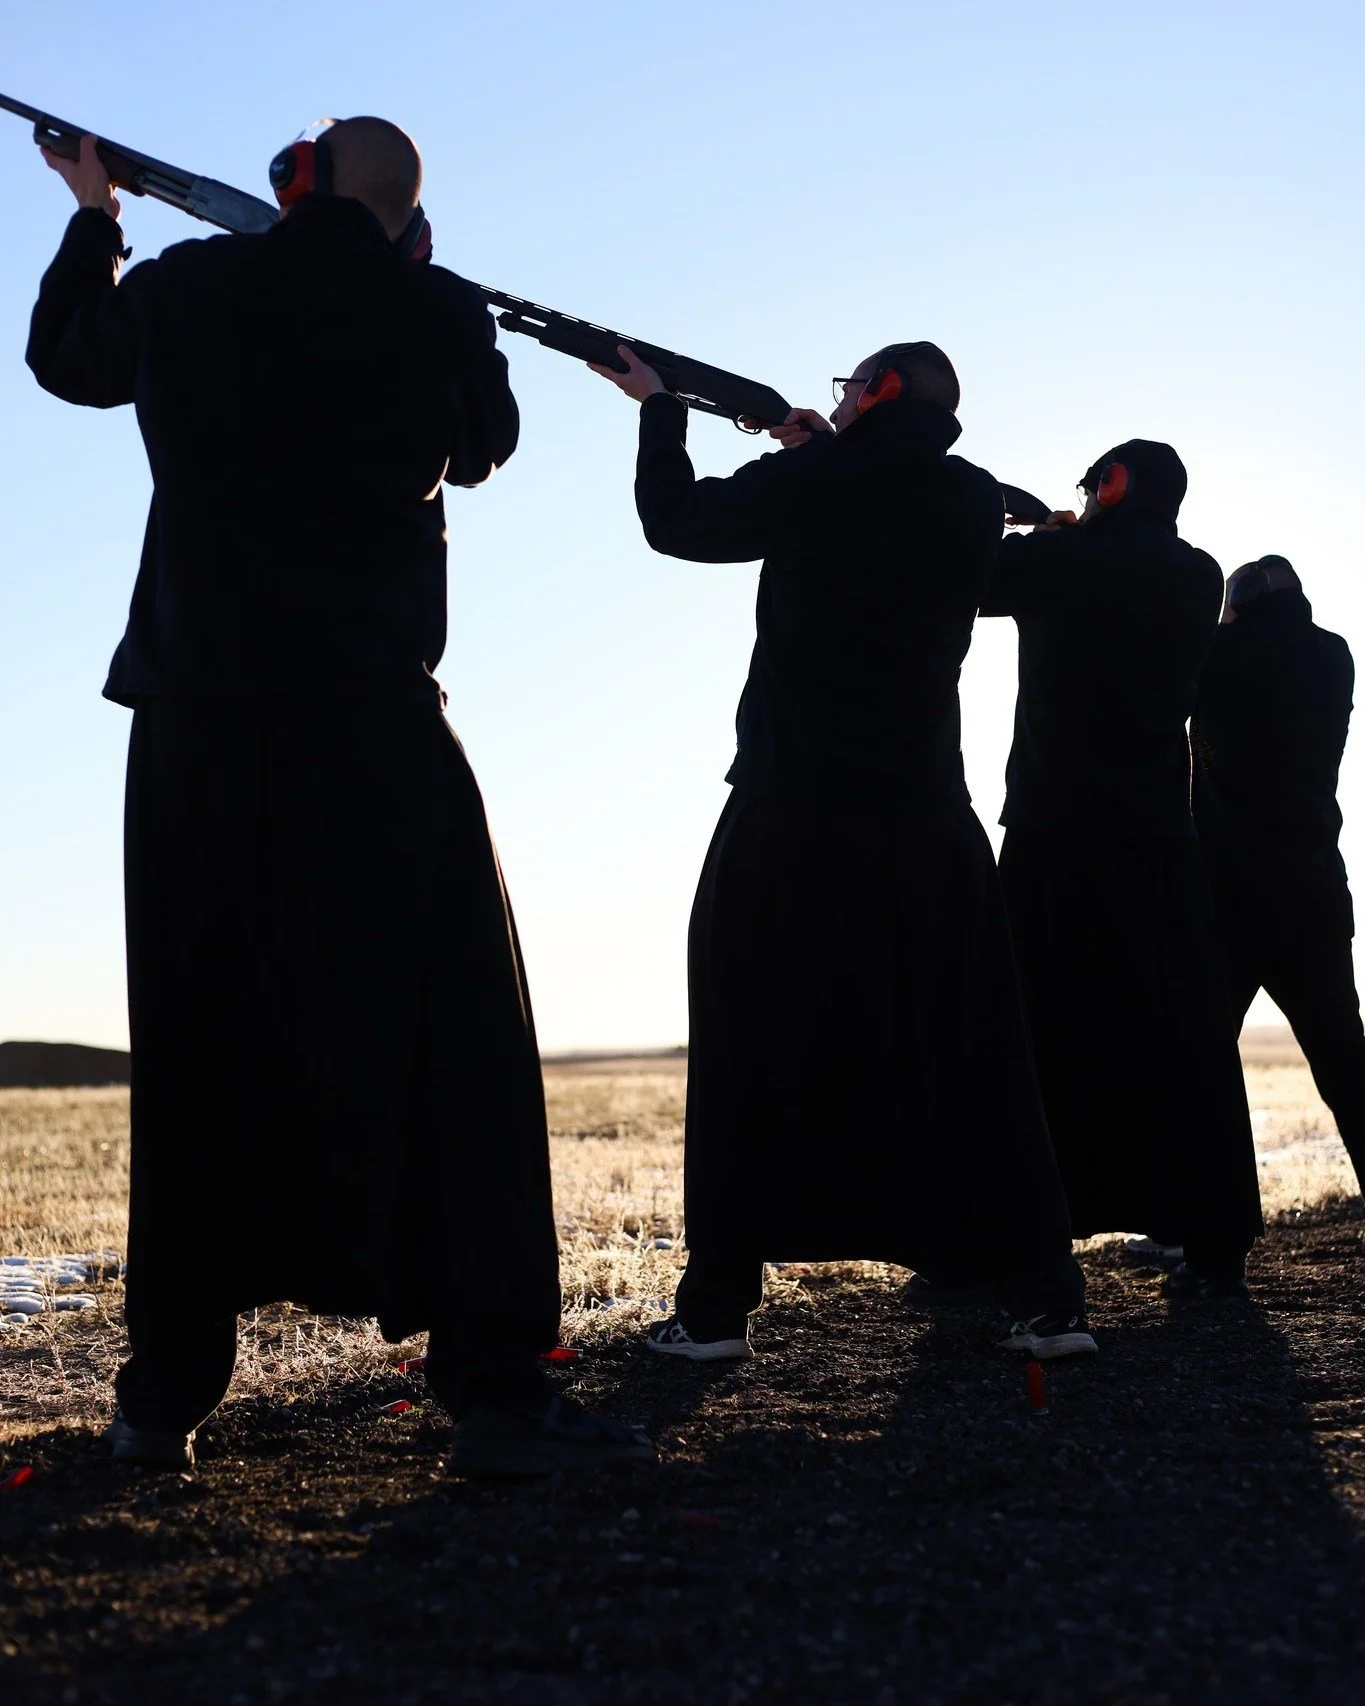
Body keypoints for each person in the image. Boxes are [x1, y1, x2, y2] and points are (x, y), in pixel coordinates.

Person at [27, 124, 651, 1475]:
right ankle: (492, 1385)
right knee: (456, 1041)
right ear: (403, 216)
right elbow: (484, 445)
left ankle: (164, 1397)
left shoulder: (189, 289)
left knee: (201, 1044)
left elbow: (67, 358)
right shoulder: (433, 306)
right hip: (372, 721)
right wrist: (419, 286)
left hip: (201, 730)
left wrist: (94, 210)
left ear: (293, 185)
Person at [588, 341, 1095, 1361]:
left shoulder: (818, 480)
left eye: (848, 387)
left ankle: (717, 1310)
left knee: (741, 1046)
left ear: (877, 394)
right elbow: (954, 492)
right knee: (981, 1055)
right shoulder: (961, 498)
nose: (837, 400)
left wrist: (658, 406)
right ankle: (1046, 1300)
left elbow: (677, 524)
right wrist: (815, 441)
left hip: (792, 807)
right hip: (927, 816)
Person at [979, 442, 1263, 1298]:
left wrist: (1040, 534)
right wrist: (1057, 535)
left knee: (1030, 1032)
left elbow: (971, 577)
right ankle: (1211, 1240)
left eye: (1089, 485)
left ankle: (1013, 1238)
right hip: (1155, 831)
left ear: (1112, 484)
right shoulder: (1196, 572)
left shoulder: (1058, 559)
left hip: (1052, 827)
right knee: (1181, 1036)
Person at [1193, 556, 1364, 1193]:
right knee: (1347, 1063)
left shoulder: (1218, 655)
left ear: (1238, 601)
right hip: (1315, 888)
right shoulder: (1332, 656)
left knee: (1201, 1067)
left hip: (1229, 893)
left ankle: (1205, 1238)